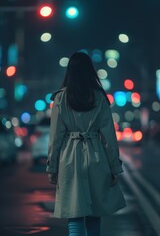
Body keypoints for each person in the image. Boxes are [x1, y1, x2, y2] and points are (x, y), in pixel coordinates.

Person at [46, 52, 126, 236]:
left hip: (69, 160)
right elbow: (109, 138)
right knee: (93, 216)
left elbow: (56, 136)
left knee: (74, 216)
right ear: (90, 71)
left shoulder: (60, 98)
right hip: (96, 158)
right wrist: (114, 167)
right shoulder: (100, 98)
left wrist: (52, 167)